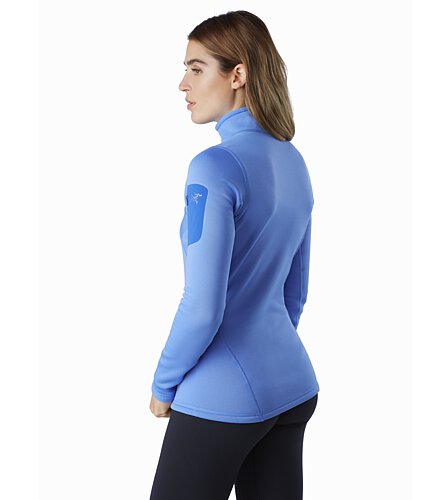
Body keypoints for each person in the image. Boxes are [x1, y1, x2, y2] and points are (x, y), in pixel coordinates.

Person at [148, 10, 320, 500]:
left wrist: (163, 385)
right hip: (292, 385)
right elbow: (295, 293)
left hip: (222, 396)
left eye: (196, 68)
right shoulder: (293, 160)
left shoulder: (214, 166)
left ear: (237, 74)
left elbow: (203, 306)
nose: (183, 84)